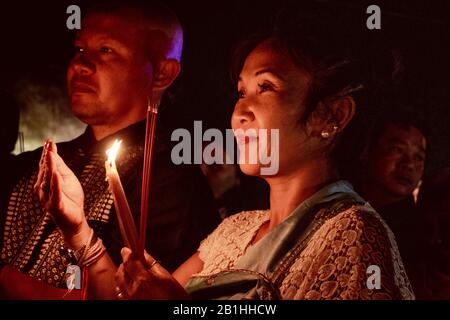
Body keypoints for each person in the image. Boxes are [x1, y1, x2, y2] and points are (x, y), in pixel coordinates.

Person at [112, 22, 414, 300]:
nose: (239, 113)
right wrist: (81, 237)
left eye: (266, 87)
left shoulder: (352, 234)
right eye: (241, 92)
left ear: (332, 115)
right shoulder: (234, 230)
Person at [0, 1, 219, 299]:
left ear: (162, 73)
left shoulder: (167, 178)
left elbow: (126, 294)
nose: (80, 65)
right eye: (79, 50)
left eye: (106, 50)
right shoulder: (33, 165)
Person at [356, 111, 427, 292]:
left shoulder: (423, 236)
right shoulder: (339, 212)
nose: (409, 164)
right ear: (366, 151)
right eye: (397, 149)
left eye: (418, 157)